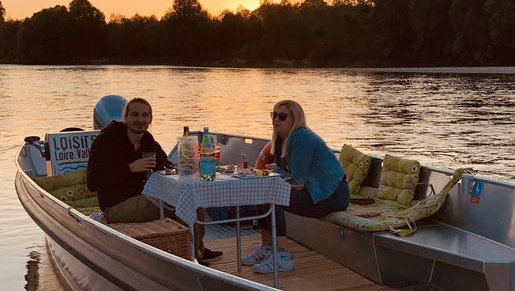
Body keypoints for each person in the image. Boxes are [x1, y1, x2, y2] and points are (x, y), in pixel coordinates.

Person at [87, 97, 222, 264]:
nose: (140, 120)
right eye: (135, 115)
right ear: (126, 118)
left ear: (151, 119)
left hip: (146, 197)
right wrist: (130, 168)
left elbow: (166, 166)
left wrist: (181, 169)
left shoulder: (148, 141)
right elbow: (92, 182)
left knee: (193, 199)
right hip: (116, 206)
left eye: (145, 115)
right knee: (178, 204)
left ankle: (197, 249)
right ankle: (191, 255)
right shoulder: (106, 141)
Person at [244, 100, 349, 273]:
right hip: (313, 191)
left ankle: (282, 256)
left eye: (282, 116)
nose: (276, 119)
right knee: (262, 193)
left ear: (294, 119)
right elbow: (290, 177)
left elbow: (297, 181)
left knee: (274, 197)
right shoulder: (280, 140)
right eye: (274, 115)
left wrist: (276, 169)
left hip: (331, 195)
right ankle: (267, 248)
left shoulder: (301, 138)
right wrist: (275, 172)